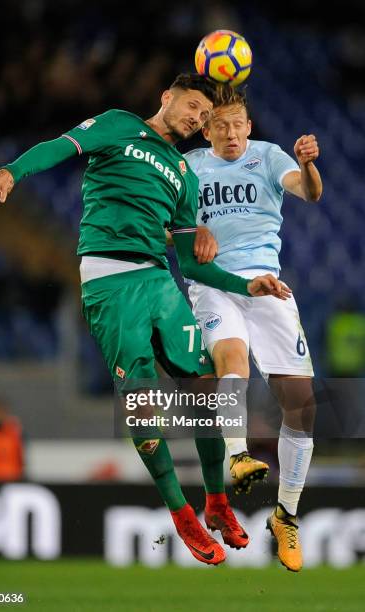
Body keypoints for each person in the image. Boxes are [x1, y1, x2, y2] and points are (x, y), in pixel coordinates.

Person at [0, 73, 290, 566]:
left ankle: (216, 503)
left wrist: (246, 285)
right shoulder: (118, 125)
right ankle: (182, 516)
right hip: (110, 281)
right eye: (192, 107)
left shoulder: (183, 176)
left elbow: (192, 263)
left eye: (205, 117)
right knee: (144, 406)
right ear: (167, 96)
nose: (196, 119)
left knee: (206, 383)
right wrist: (14, 171)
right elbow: (62, 146)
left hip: (159, 279)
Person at [185, 88, 322, 571]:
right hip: (216, 284)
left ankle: (285, 516)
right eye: (220, 125)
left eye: (238, 123)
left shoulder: (268, 155)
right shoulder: (190, 166)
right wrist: (187, 233)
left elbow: (308, 191)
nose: (231, 133)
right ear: (206, 131)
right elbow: (162, 222)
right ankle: (238, 454)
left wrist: (306, 164)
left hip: (269, 287)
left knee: (301, 406)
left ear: (248, 125)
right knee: (232, 359)